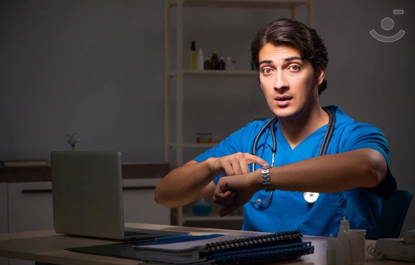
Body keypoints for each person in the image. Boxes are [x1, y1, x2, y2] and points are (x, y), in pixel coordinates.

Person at [155, 18, 396, 239]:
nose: (279, 84)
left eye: (293, 67)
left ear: (319, 74)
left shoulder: (352, 135)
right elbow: (166, 195)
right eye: (267, 70)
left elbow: (370, 167)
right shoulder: (252, 138)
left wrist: (259, 180)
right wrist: (211, 166)